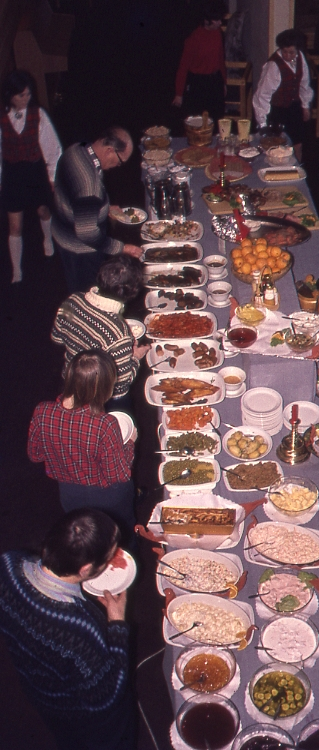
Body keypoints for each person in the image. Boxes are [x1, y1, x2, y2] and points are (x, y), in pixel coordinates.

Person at [0, 508, 136, 750]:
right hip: (85, 718)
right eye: (108, 558)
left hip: (40, 690)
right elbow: (106, 696)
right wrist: (116, 623)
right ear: (85, 570)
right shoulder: (78, 627)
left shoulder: (8, 563)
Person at [28, 350, 137, 539]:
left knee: (85, 538)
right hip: (108, 496)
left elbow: (35, 455)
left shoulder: (42, 411)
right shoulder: (105, 424)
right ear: (103, 388)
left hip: (70, 493)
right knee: (120, 536)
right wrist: (130, 443)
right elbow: (118, 475)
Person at [52, 125, 142, 294]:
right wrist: (121, 248)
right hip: (80, 251)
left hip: (62, 232)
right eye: (120, 161)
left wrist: (102, 208)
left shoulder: (76, 149)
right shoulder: (89, 184)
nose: (118, 166)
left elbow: (75, 195)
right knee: (88, 295)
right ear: (109, 150)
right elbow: (88, 234)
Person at [51, 254, 149, 408]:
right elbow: (119, 389)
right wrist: (136, 358)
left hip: (69, 383)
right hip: (100, 397)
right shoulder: (119, 333)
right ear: (132, 293)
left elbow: (57, 337)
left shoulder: (72, 300)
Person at [0, 70, 62, 283]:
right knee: (15, 225)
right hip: (13, 174)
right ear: (10, 95)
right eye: (21, 95)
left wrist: (52, 176)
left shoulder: (38, 114)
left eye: (28, 94)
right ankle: (17, 269)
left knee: (43, 210)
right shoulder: (2, 117)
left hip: (35, 171)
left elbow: (53, 148)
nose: (26, 99)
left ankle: (48, 240)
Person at [253, 28, 314, 162]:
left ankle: (297, 170)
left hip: (293, 107)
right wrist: (263, 124)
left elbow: (304, 83)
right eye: (284, 52)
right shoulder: (273, 66)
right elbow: (262, 96)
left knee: (298, 143)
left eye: (291, 52)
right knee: (277, 147)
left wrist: (305, 106)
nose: (287, 56)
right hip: (277, 109)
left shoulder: (300, 58)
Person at [172, 0, 227, 125]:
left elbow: (220, 60)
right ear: (207, 20)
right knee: (198, 123)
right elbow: (183, 67)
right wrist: (179, 93)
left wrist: (223, 82)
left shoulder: (218, 33)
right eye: (217, 20)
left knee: (217, 120)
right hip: (198, 84)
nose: (220, 22)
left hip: (215, 81)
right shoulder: (193, 38)